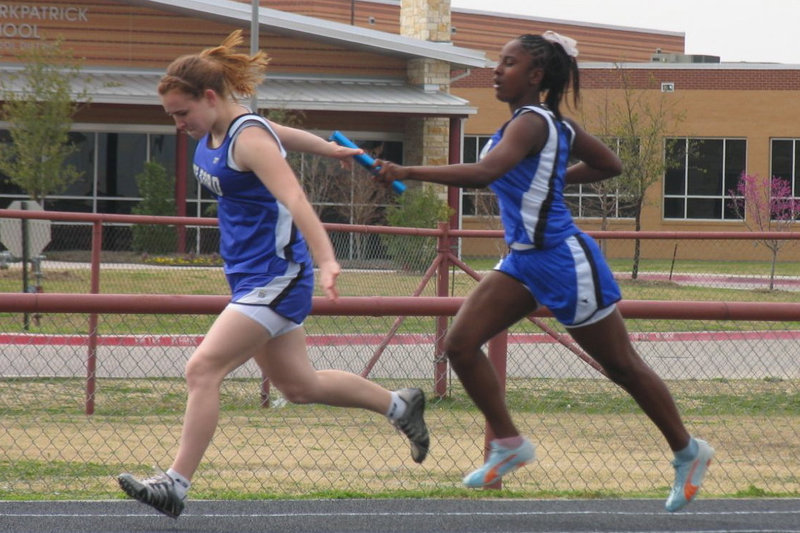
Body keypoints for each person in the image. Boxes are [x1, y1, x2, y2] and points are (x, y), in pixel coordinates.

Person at [373, 31, 713, 512]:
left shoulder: (533, 122)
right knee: (460, 345)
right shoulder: (549, 125)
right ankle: (509, 443)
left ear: (535, 75)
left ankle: (688, 450)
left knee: (622, 366)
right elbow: (607, 164)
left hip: (562, 260)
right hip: (524, 261)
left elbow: (485, 174)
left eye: (508, 63)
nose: (497, 70)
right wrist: (551, 178)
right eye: (498, 60)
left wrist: (409, 172)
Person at [117, 30, 429, 519]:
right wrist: (329, 149)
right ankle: (399, 405)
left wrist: (327, 259)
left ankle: (175, 484)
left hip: (277, 275)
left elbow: (295, 198)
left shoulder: (248, 139)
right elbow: (280, 132)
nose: (178, 124)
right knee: (299, 386)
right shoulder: (230, 128)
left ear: (210, 97)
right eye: (172, 116)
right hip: (248, 276)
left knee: (202, 369)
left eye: (182, 113)